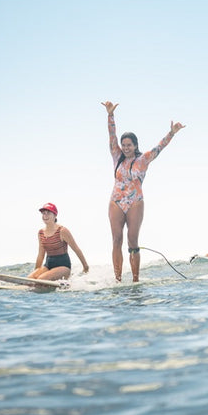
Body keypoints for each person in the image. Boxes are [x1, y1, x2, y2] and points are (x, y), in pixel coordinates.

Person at [103, 101, 185, 282]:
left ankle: (135, 279)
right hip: (116, 201)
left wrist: (171, 133)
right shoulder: (117, 156)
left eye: (129, 145)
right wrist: (110, 115)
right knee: (117, 240)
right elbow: (111, 136)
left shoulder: (143, 159)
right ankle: (117, 279)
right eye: (123, 144)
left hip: (135, 202)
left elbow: (160, 146)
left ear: (135, 145)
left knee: (132, 241)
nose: (125, 147)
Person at [28, 203, 89, 281]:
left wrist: (86, 267)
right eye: (43, 213)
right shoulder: (41, 233)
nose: (45, 215)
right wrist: (36, 272)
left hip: (63, 267)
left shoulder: (62, 231)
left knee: (41, 279)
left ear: (55, 215)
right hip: (48, 266)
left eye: (48, 213)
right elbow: (41, 255)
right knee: (30, 279)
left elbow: (76, 249)